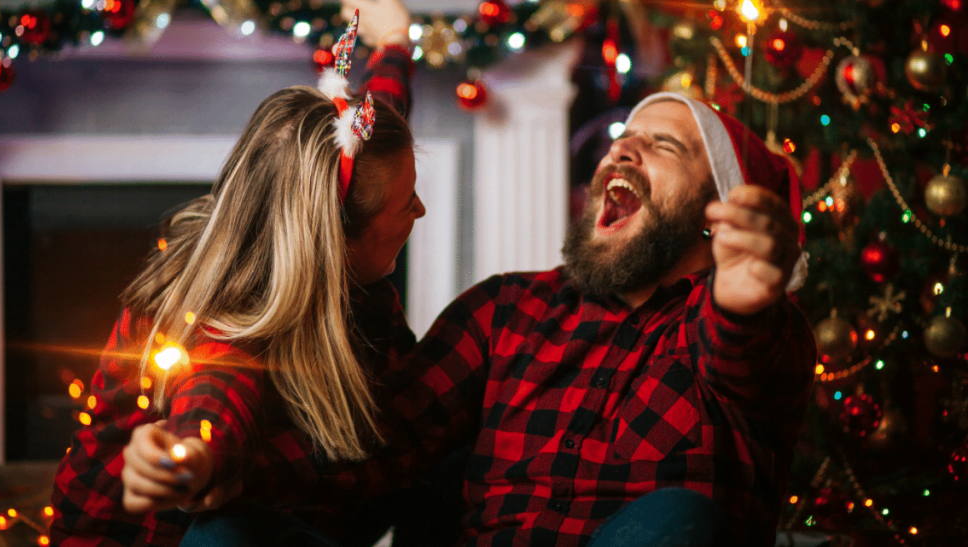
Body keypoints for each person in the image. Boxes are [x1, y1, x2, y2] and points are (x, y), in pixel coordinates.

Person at [182, 91, 816, 547]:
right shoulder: (508, 309)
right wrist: (218, 465)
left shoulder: (749, 330)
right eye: (623, 136)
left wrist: (741, 306)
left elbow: (748, 361)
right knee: (223, 533)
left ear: (718, 212)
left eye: (663, 146)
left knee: (681, 520)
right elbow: (378, 439)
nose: (623, 150)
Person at [48, 0, 427, 547]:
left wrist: (395, 42)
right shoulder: (227, 318)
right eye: (407, 203)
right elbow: (215, 394)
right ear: (333, 240)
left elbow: (375, 129)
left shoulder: (341, 173)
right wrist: (192, 455)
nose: (420, 210)